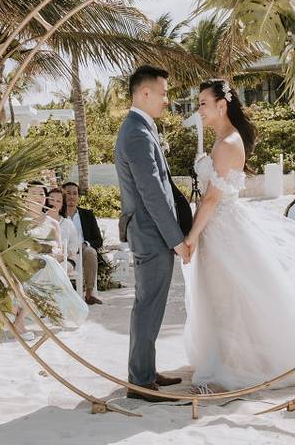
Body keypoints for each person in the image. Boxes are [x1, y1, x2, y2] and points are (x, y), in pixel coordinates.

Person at [182, 79, 295, 393]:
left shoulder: (226, 144)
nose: (199, 109)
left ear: (221, 106)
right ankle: (230, 360)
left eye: (202, 103)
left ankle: (234, 367)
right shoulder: (226, 138)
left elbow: (211, 198)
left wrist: (191, 237)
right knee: (224, 297)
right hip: (220, 225)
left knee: (229, 298)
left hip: (223, 227)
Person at [115, 65, 189, 401]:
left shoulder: (141, 128)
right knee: (148, 305)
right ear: (145, 93)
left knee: (150, 305)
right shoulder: (136, 132)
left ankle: (145, 370)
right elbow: (152, 192)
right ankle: (141, 382)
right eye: (163, 92)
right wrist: (176, 239)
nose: (167, 99)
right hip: (150, 233)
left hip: (149, 231)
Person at [11, 184, 89, 337]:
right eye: (33, 193)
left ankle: (19, 319)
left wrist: (51, 251)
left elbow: (59, 250)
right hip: (22, 263)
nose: (38, 196)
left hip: (45, 263)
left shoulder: (53, 223)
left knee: (47, 264)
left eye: (41, 193)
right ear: (25, 197)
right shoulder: (17, 221)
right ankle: (18, 317)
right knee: (46, 267)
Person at [62, 181, 105, 305]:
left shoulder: (87, 215)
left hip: (83, 251)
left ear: (78, 197)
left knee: (91, 251)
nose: (71, 196)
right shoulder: (58, 215)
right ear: (63, 195)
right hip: (63, 251)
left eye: (75, 193)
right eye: (68, 193)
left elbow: (98, 240)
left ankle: (89, 294)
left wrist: (85, 244)